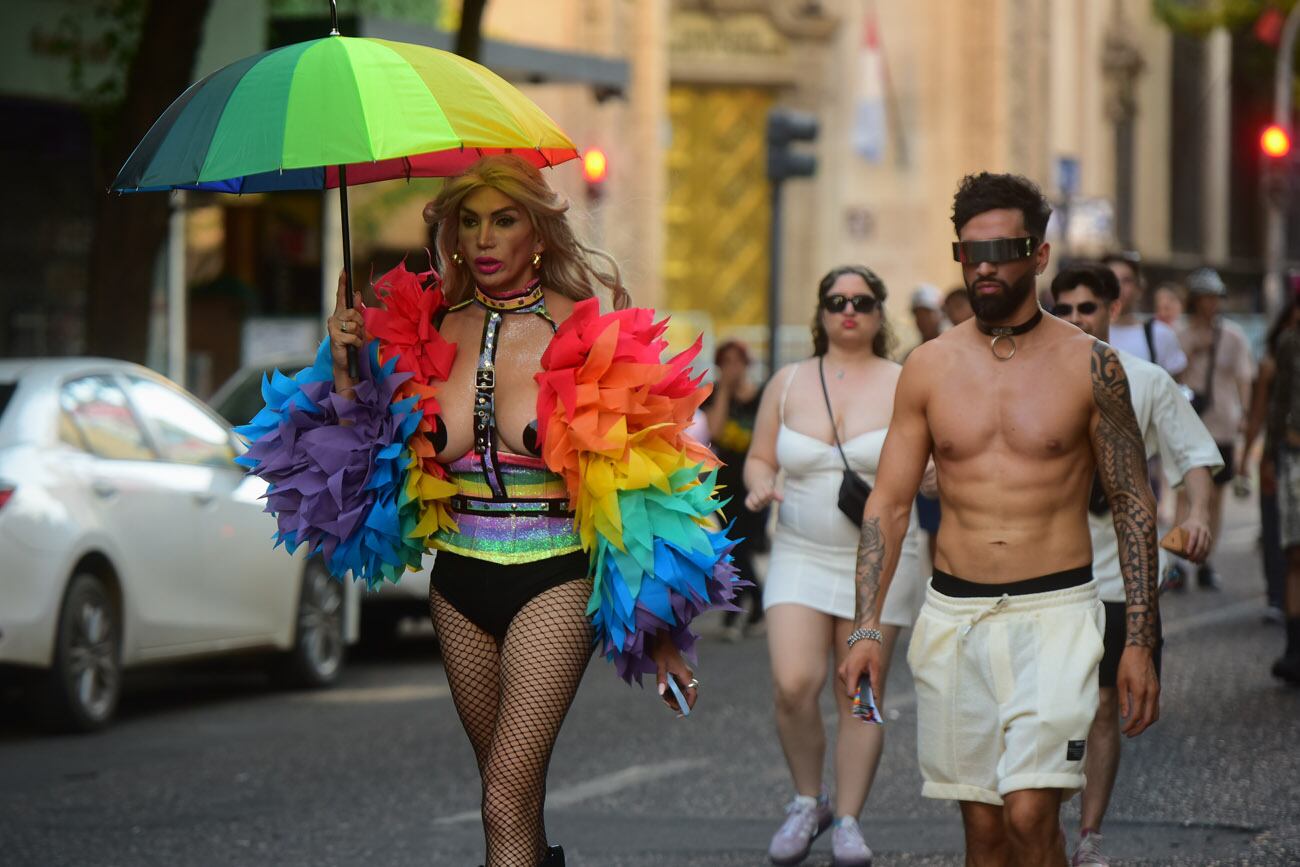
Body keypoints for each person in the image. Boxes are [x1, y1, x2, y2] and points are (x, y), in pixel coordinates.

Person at [237, 155, 742, 867]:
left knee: (502, 796)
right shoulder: (424, 331)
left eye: (504, 220)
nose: (484, 238)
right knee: (512, 800)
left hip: (553, 579)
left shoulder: (586, 330)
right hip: (459, 583)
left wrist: (658, 629)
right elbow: (361, 472)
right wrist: (350, 372)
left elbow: (644, 489)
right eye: (469, 222)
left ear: (536, 231)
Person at [840, 172, 1161, 866]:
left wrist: (1140, 637)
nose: (985, 265)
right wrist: (866, 625)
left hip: (1057, 615)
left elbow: (1134, 501)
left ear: (1039, 256)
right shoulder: (927, 367)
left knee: (1029, 811)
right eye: (969, 252)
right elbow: (890, 503)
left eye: (1005, 249)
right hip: (953, 618)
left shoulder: (1094, 367)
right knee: (984, 831)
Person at [744, 265, 925, 867]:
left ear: (880, 312)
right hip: (799, 552)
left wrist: (928, 476)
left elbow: (935, 462)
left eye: (863, 301)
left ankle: (848, 819)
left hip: (879, 562)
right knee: (794, 683)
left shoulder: (907, 381)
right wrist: (761, 484)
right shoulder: (790, 382)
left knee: (862, 691)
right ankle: (806, 801)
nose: (849, 310)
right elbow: (760, 457)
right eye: (836, 300)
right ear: (820, 312)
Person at [1049, 263, 1220, 867]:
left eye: (1087, 308)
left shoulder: (1146, 380)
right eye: (1063, 310)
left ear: (1112, 311)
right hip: (1046, 576)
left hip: (1119, 574)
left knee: (1099, 708)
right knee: (1048, 711)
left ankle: (1089, 835)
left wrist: (1197, 515)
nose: (1075, 320)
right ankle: (1043, 826)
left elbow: (1194, 454)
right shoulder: (1032, 381)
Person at [1174, 266, 1255, 591]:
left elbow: (1243, 377)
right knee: (1184, 493)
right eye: (1204, 298)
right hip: (1189, 424)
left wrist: (1246, 414)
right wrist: (1191, 351)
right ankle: (1179, 562)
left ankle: (1204, 560)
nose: (1210, 304)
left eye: (1215, 298)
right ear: (1194, 300)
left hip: (1221, 425)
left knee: (1216, 497)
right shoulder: (1182, 335)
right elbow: (1170, 376)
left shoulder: (1233, 336)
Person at [1241, 293, 1300, 624]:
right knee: (1279, 530)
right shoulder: (1274, 360)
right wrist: (1254, 457)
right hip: (1283, 454)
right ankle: (1278, 598)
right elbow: (1263, 413)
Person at [704, 339, 768, 641]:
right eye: (725, 362)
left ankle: (749, 605)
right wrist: (725, 392)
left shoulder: (762, 398)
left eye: (736, 361)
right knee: (732, 545)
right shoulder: (715, 396)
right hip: (725, 482)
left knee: (744, 545)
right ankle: (746, 607)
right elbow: (715, 432)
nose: (732, 368)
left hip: (753, 482)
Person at [1260, 292, 1300, 684]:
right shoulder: (1291, 342)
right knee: (1295, 553)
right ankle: (1294, 647)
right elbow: (1278, 403)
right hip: (1295, 457)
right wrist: (1268, 456)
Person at [1102, 252, 1188, 377]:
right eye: (1111, 280)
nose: (1118, 287)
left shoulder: (1161, 334)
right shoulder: (1086, 334)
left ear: (1139, 288)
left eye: (1126, 281)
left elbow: (1175, 385)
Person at [907, 283, 946, 354]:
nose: (923, 320)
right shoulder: (911, 356)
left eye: (927, 313)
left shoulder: (954, 350)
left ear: (942, 314)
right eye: (918, 314)